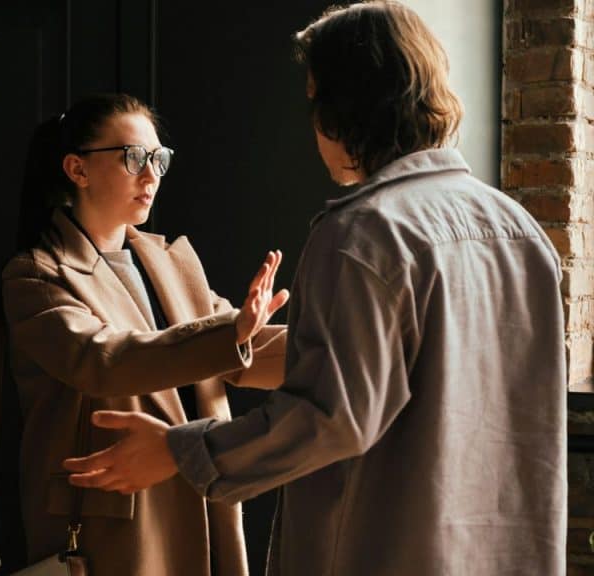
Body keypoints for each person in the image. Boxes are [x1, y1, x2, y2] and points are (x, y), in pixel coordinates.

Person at [64, 3, 567, 575]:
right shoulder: (519, 231)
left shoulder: (363, 234)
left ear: (344, 105)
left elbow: (332, 416)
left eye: (313, 99)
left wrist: (179, 451)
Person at [2, 93, 289, 576]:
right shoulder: (36, 275)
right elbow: (104, 361)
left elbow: (240, 347)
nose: (151, 173)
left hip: (203, 497)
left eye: (159, 158)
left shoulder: (169, 261)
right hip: (118, 526)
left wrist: (344, 343)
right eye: (134, 157)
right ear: (77, 169)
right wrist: (233, 334)